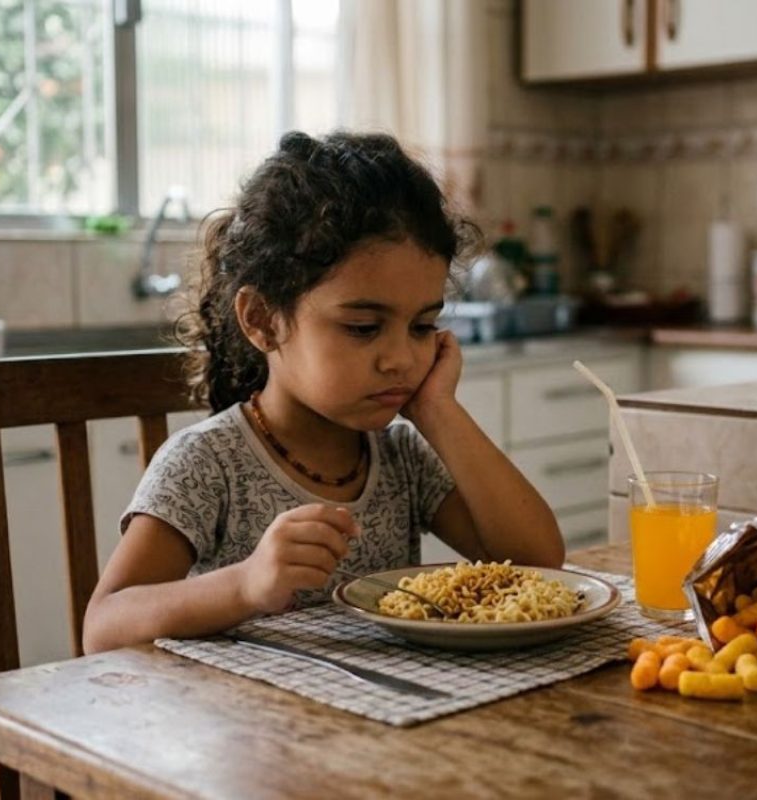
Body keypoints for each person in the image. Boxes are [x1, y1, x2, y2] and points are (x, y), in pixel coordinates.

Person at [83, 131, 564, 654]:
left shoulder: (400, 458)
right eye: (362, 327)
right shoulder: (208, 463)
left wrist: (437, 410)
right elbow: (103, 628)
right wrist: (245, 584)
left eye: (422, 327)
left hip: (378, 720)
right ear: (262, 320)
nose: (400, 358)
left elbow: (537, 559)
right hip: (249, 726)